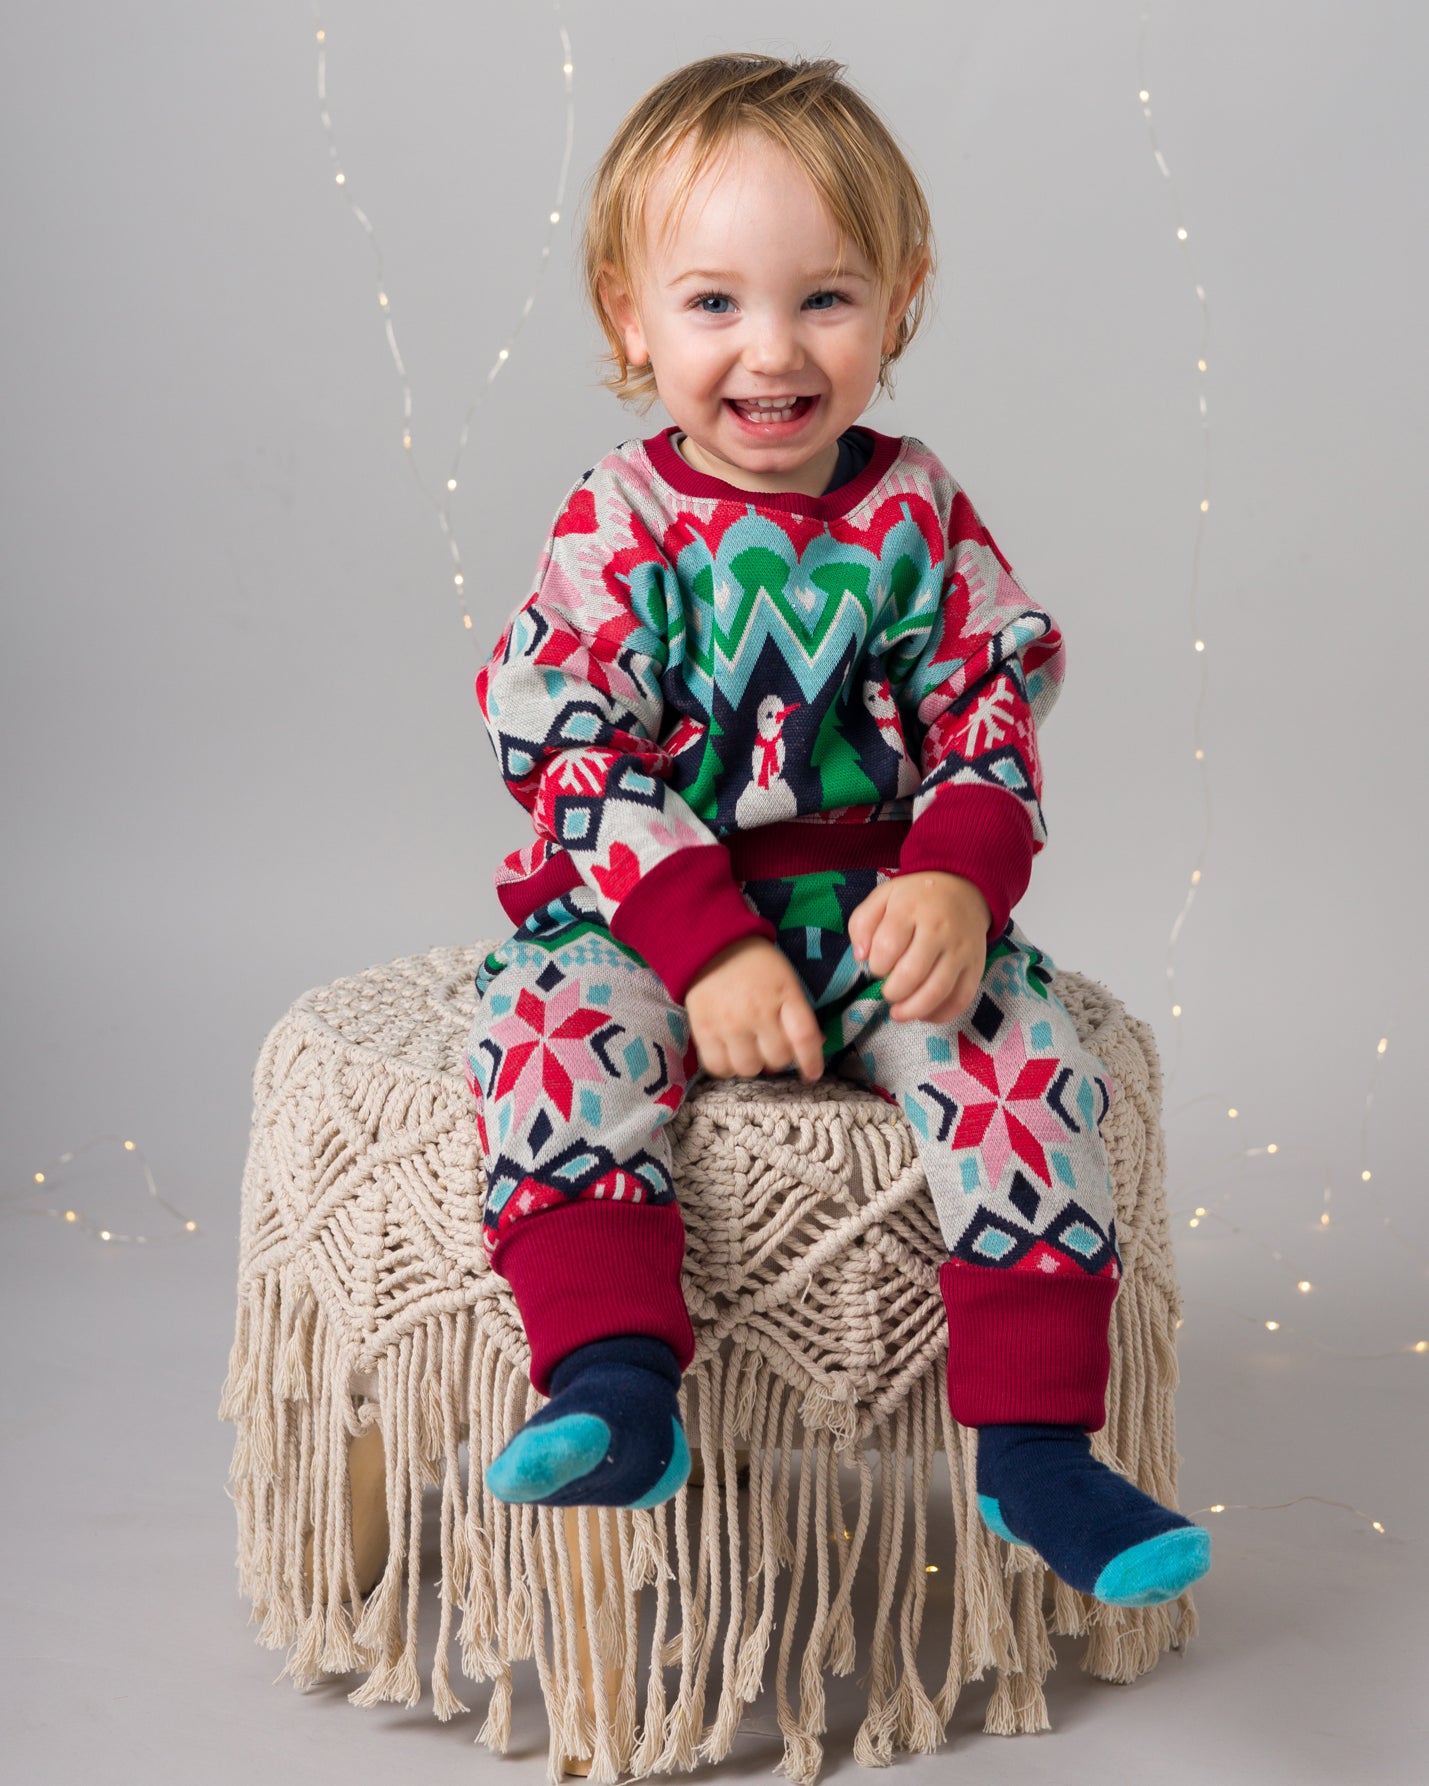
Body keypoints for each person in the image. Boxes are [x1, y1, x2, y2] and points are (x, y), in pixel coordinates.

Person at [464, 51, 1210, 1609]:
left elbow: (990, 698)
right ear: (628, 315)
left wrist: (954, 879)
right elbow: (559, 734)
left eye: (823, 299)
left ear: (898, 300)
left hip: (872, 912)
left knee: (1021, 1051)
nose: (772, 350)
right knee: (541, 1029)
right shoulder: (618, 522)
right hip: (651, 922)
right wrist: (701, 944)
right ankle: (611, 1385)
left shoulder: (914, 512)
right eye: (712, 302)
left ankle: (1035, 1448)